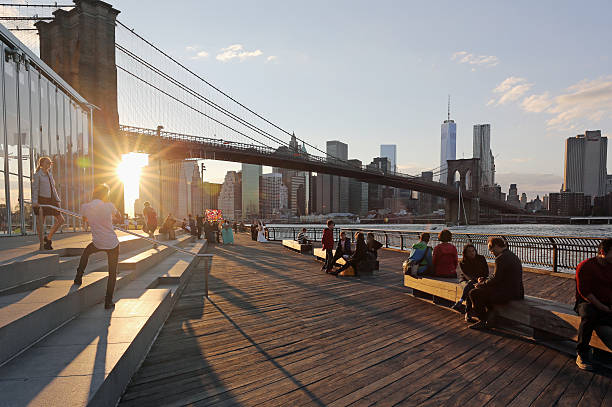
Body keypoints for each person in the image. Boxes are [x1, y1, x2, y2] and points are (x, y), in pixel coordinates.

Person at [73, 184, 122, 309]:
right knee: (112, 273)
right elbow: (119, 218)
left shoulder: (85, 207)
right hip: (112, 243)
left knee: (86, 252)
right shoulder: (109, 206)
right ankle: (108, 301)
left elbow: (84, 220)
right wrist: (111, 218)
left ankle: (78, 277)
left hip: (98, 242)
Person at [468, 237, 524, 330]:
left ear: (497, 246)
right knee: (483, 291)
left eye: (491, 249)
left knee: (474, 293)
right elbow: (497, 276)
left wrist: (482, 284)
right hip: (517, 291)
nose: (491, 252)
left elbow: (496, 279)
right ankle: (491, 317)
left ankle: (484, 321)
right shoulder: (511, 255)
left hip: (508, 294)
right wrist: (485, 281)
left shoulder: (500, 258)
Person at [574, 238, 612, 371]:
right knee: (589, 315)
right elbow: (585, 293)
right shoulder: (585, 266)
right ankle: (582, 353)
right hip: (587, 302)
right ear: (602, 252)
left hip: (607, 302)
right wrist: (603, 308)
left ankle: (603, 354)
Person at [32, 156, 65, 250]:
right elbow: (35, 189)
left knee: (61, 220)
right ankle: (42, 243)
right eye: (47, 163)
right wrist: (35, 202)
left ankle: (48, 238)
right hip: (41, 200)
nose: (49, 164)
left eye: (50, 163)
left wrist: (57, 200)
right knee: (40, 223)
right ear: (42, 164)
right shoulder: (37, 175)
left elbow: (53, 188)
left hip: (52, 200)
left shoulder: (49, 174)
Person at [452, 244, 490, 322]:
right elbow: (468, 276)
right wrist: (477, 280)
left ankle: (461, 303)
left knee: (471, 288)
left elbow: (486, 272)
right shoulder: (463, 262)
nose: (472, 253)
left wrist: (481, 279)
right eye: (469, 251)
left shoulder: (481, 258)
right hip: (465, 280)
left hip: (479, 280)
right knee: (471, 286)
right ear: (465, 253)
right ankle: (468, 312)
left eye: (473, 251)